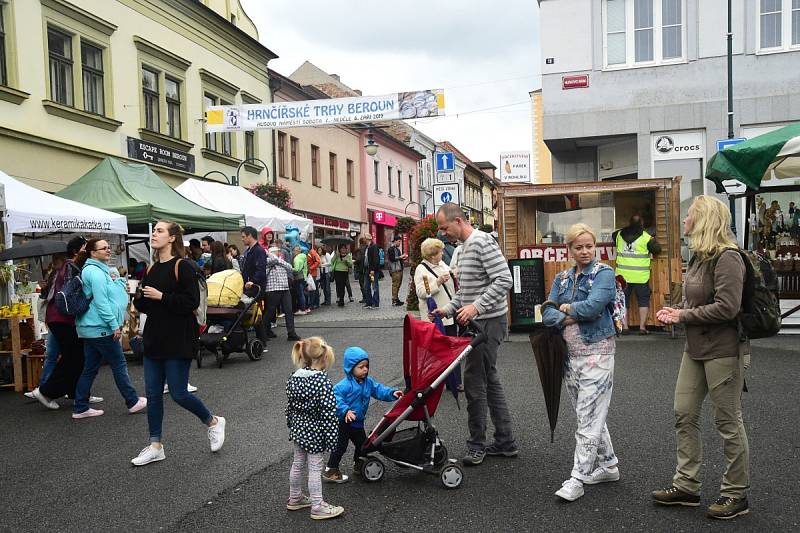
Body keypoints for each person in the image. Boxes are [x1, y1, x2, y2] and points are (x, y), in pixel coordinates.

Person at [652, 196, 751, 520]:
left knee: (727, 422)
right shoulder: (698, 256)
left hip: (723, 350)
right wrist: (675, 310)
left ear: (704, 219)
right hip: (695, 349)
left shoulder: (728, 258)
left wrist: (683, 315)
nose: (684, 221)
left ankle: (736, 495)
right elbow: (691, 301)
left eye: (689, 216)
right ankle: (687, 486)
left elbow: (728, 307)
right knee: (683, 414)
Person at [131, 220, 226, 466]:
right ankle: (155, 445)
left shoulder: (183, 266)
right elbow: (146, 306)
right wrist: (138, 296)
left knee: (179, 393)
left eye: (160, 231)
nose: (155, 234)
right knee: (152, 395)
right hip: (154, 338)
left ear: (172, 238)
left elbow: (191, 302)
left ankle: (213, 421)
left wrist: (162, 296)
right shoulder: (152, 269)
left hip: (178, 339)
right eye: (155, 231)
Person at [431, 203, 516, 466]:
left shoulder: (481, 242)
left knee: (474, 382)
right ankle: (505, 441)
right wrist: (448, 308)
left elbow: (504, 279)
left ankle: (477, 444)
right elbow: (466, 291)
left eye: (445, 228)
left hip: (488, 323)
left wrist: (475, 307)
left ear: (458, 221)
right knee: (489, 380)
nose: (443, 234)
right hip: (482, 322)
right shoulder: (463, 248)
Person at [541, 223, 620, 502]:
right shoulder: (562, 278)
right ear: (570, 249)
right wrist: (570, 314)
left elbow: (595, 306)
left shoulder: (604, 274)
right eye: (579, 247)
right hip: (568, 356)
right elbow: (546, 311)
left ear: (595, 246)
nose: (585, 251)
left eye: (589, 246)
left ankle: (578, 478)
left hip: (597, 352)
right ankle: (608, 465)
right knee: (589, 414)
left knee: (588, 417)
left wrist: (569, 309)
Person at [71, 239, 146, 419]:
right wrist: (114, 325)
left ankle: (80, 406)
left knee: (90, 368)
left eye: (108, 247)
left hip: (91, 328)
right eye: (103, 248)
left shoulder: (96, 270)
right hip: (100, 328)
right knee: (118, 364)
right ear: (92, 253)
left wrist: (120, 284)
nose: (108, 250)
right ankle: (132, 401)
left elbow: (107, 295)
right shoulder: (95, 273)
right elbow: (101, 302)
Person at [31, 237, 104, 408]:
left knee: (71, 356)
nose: (90, 249)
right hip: (63, 318)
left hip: (59, 318)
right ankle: (46, 391)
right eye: (86, 247)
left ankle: (74, 392)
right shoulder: (73, 267)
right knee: (74, 357)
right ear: (77, 251)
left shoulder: (65, 267)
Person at [322, 347, 402, 483]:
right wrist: (345, 410)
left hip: (357, 422)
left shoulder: (368, 382)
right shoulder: (344, 385)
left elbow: (379, 390)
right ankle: (331, 469)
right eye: (361, 367)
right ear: (350, 368)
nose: (365, 369)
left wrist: (391, 393)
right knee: (340, 446)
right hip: (344, 422)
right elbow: (334, 398)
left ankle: (359, 464)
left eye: (366, 366)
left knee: (362, 445)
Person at [285, 337, 344, 520]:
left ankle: (295, 498)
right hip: (315, 433)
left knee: (297, 464)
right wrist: (332, 439)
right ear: (324, 358)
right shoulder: (322, 383)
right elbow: (329, 414)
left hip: (298, 430)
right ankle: (318, 506)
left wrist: (292, 425)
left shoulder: (294, 377)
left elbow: (289, 407)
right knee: (315, 468)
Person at [414, 237, 462, 390]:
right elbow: (421, 292)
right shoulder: (421, 269)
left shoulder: (442, 264)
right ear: (433, 254)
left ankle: (455, 382)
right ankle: (434, 382)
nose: (443, 253)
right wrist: (438, 282)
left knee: (452, 349)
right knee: (436, 352)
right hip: (434, 317)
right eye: (440, 251)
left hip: (448, 313)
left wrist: (454, 274)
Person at [613, 214, 662, 335]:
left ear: (629, 222)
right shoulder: (646, 237)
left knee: (623, 301)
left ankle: (624, 327)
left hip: (622, 275)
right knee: (643, 301)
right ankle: (642, 328)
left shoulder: (618, 235)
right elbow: (657, 250)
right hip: (641, 276)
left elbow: (613, 235)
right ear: (642, 223)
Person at [239, 226, 269, 349]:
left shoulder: (259, 251)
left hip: (256, 287)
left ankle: (261, 342)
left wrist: (252, 281)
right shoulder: (250, 250)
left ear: (250, 236)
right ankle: (261, 341)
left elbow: (261, 271)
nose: (242, 239)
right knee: (254, 314)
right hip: (249, 286)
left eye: (243, 237)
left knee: (253, 313)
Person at [263, 246, 301, 342]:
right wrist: (271, 255)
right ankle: (263, 332)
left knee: (289, 311)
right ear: (271, 253)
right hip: (272, 289)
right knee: (270, 311)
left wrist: (278, 260)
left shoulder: (280, 260)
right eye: (277, 252)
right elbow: (274, 260)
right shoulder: (266, 261)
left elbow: (289, 267)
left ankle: (291, 333)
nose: (279, 253)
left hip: (285, 288)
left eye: (279, 252)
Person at [362, 234, 381, 309]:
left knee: (374, 287)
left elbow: (376, 259)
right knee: (366, 287)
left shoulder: (374, 246)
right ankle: (369, 302)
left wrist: (373, 269)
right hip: (367, 270)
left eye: (365, 239)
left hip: (372, 271)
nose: (364, 240)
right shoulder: (367, 247)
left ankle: (375, 303)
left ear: (367, 239)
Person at [387, 235, 408, 307]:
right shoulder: (391, 249)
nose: (400, 243)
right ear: (395, 241)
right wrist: (400, 257)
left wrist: (403, 258)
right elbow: (392, 258)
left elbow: (398, 259)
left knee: (398, 285)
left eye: (400, 241)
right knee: (395, 285)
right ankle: (394, 300)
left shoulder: (398, 249)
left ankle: (396, 298)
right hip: (395, 270)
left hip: (399, 269)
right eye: (399, 241)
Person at [292, 246, 310, 315]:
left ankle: (302, 309)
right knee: (304, 293)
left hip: (298, 278)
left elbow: (296, 269)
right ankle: (306, 308)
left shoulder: (297, 258)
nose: (294, 252)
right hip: (303, 277)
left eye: (295, 251)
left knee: (300, 295)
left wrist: (290, 268)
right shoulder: (303, 256)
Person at [306, 244, 321, 309]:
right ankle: (314, 304)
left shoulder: (312, 252)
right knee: (312, 289)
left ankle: (312, 304)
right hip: (309, 273)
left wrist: (311, 268)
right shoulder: (309, 252)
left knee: (312, 289)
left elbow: (318, 262)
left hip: (312, 274)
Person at [353, 237, 367, 303]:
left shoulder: (359, 249)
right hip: (367, 268)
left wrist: (354, 261)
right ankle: (368, 297)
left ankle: (365, 297)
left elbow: (358, 259)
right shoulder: (367, 248)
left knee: (362, 284)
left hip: (361, 269)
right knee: (367, 283)